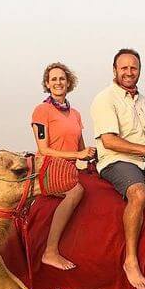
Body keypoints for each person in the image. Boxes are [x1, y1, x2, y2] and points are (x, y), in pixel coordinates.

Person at [91, 48, 145, 289]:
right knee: (138, 194)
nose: (129, 72)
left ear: (139, 71)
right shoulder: (105, 99)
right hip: (117, 160)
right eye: (124, 68)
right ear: (115, 70)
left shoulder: (142, 100)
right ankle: (130, 260)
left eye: (133, 68)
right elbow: (109, 141)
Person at [31, 62, 96, 270]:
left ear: (68, 83)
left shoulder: (75, 114)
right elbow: (43, 149)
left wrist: (91, 154)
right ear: (47, 84)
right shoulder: (42, 110)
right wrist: (77, 155)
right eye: (54, 79)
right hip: (49, 165)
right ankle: (50, 251)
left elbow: (81, 148)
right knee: (76, 191)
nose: (58, 82)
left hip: (69, 167)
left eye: (62, 78)